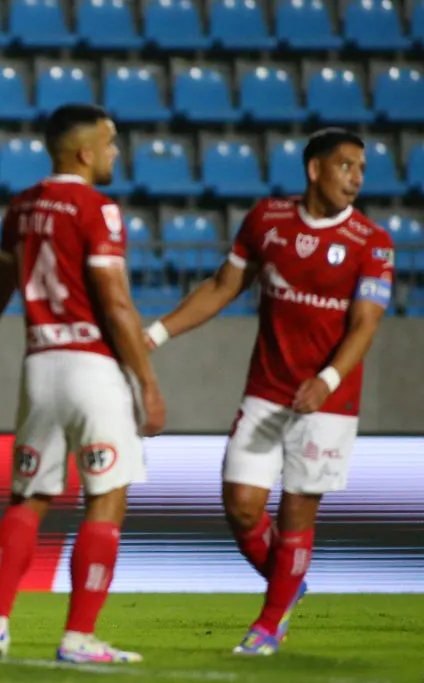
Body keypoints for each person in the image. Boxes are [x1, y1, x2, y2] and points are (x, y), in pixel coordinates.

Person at [0, 104, 166, 665]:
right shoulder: (98, 209)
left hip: (40, 367)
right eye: (109, 144)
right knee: (106, 498)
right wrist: (147, 382)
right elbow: (116, 301)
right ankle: (80, 638)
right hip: (93, 367)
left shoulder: (23, 206)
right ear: (83, 152)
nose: (114, 153)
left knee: (27, 499)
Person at [144, 128, 394, 656]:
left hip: (330, 399)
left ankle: (270, 622)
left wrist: (326, 381)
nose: (356, 178)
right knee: (240, 505)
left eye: (361, 169)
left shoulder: (372, 242)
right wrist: (157, 332)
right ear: (314, 169)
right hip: (267, 389)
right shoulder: (267, 221)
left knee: (297, 511)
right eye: (346, 166)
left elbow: (365, 324)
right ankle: (288, 581)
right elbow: (221, 287)